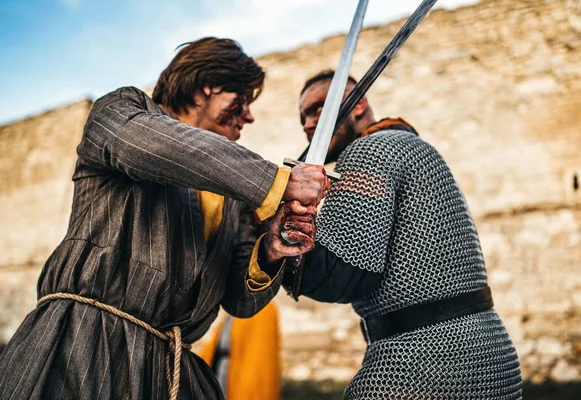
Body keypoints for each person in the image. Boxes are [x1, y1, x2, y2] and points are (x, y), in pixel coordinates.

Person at [0, 38, 326, 400]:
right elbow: (158, 148)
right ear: (210, 85)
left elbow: (240, 301)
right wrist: (277, 181)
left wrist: (271, 249)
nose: (249, 115)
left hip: (172, 371)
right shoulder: (122, 112)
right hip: (82, 346)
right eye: (242, 100)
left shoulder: (236, 193)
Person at [283, 70, 523, 399]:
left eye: (317, 109)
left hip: (421, 360)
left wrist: (271, 236)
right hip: (488, 352)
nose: (309, 123)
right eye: (303, 116)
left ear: (358, 104)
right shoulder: (414, 149)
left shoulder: (370, 152)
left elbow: (344, 273)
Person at [198, 301, 282, 400]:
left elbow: (260, 358)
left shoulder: (265, 310)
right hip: (221, 369)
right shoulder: (234, 310)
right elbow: (215, 345)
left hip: (240, 374)